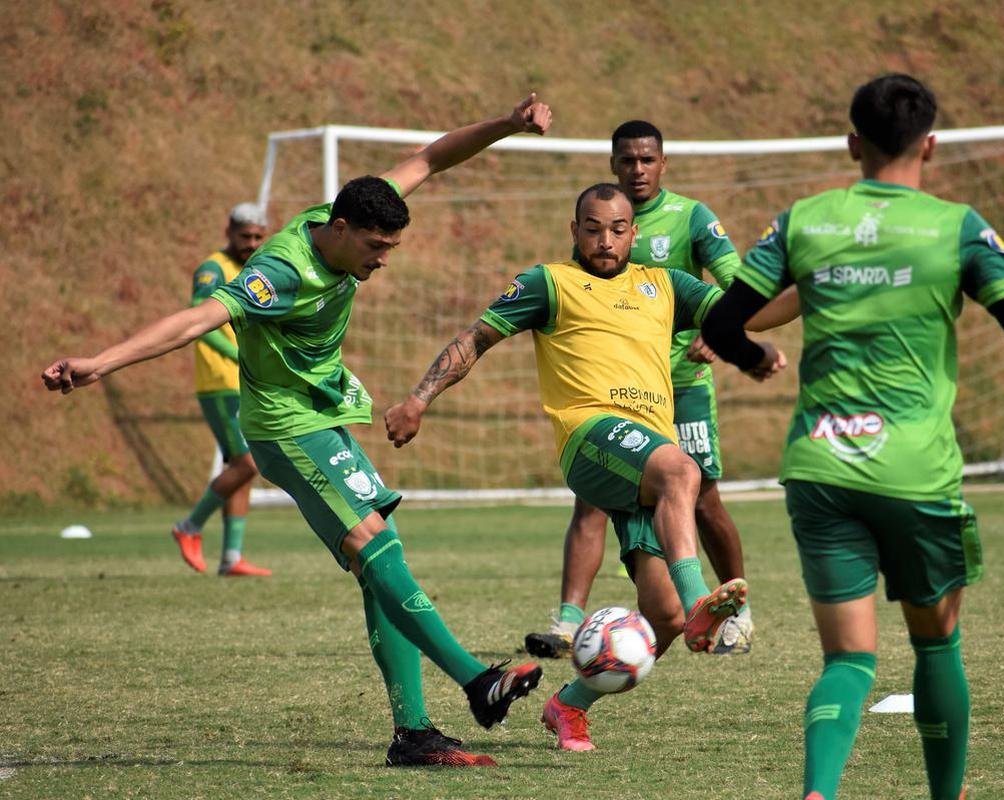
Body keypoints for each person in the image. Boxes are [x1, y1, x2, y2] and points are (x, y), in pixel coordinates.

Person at [42, 95, 555, 768]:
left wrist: (508, 125)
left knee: (383, 562)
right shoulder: (279, 272)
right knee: (378, 549)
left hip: (325, 416)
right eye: (375, 248)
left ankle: (415, 734)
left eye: (391, 248)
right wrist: (100, 363)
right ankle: (478, 682)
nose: (383, 261)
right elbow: (196, 320)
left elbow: (430, 158)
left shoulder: (349, 216)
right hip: (284, 429)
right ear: (340, 230)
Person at [700, 74, 1004, 800]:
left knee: (847, 660)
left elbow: (723, 322)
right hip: (915, 473)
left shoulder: (803, 221)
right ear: (930, 146)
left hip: (821, 465)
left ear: (851, 144)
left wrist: (752, 361)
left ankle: (818, 794)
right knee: (936, 644)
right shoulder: (958, 229)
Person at [384, 182, 784, 752]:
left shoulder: (663, 284)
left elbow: (741, 313)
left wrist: (778, 324)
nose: (605, 239)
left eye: (617, 228)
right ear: (575, 231)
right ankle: (704, 600)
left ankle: (568, 705)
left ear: (634, 233)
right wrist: (419, 399)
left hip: (644, 454)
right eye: (592, 228)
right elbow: (475, 339)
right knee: (681, 472)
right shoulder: (549, 283)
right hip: (590, 436)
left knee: (663, 619)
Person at [524, 119, 755, 660]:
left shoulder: (690, 217)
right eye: (627, 160)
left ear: (663, 163)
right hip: (605, 396)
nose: (637, 169)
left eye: (647, 160)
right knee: (600, 500)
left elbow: (737, 286)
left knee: (703, 496)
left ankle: (735, 611)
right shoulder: (595, 229)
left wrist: (717, 337)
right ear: (613, 166)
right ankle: (569, 619)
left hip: (682, 384)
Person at [172, 202, 272, 577]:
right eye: (244, 235)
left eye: (258, 237)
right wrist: (236, 354)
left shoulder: (253, 270)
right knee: (249, 462)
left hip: (243, 382)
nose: (251, 243)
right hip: (220, 383)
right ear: (228, 231)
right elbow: (200, 320)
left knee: (242, 467)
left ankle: (231, 557)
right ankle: (189, 527)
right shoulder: (213, 269)